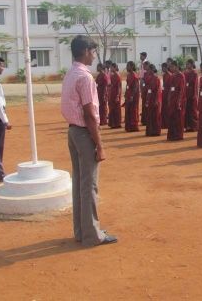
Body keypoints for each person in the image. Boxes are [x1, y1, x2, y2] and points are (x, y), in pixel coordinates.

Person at [61, 35, 117, 247]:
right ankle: (92, 234)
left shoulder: (70, 74)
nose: (94, 55)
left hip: (73, 132)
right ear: (85, 51)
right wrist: (99, 145)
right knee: (89, 186)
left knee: (79, 183)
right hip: (84, 134)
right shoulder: (85, 77)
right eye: (93, 51)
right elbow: (90, 114)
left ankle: (82, 231)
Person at [167, 60, 186, 141]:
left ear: (176, 67)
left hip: (179, 100)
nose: (170, 68)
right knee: (172, 117)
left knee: (178, 118)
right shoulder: (172, 76)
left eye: (172, 66)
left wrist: (179, 101)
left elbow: (181, 90)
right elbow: (170, 88)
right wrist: (169, 98)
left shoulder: (181, 76)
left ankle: (178, 135)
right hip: (172, 99)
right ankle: (172, 135)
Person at [145, 64, 162, 136]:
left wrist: (156, 100)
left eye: (148, 69)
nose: (147, 71)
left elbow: (158, 90)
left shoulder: (156, 79)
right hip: (150, 98)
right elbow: (149, 89)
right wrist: (147, 99)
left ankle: (156, 131)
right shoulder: (149, 78)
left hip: (155, 99)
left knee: (155, 116)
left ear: (152, 70)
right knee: (150, 115)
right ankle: (150, 131)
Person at [124, 61, 140, 132]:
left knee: (133, 110)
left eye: (128, 66)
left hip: (133, 95)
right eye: (127, 65)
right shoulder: (128, 75)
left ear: (132, 67)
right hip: (128, 94)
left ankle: (134, 126)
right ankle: (129, 126)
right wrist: (126, 93)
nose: (127, 67)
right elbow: (127, 85)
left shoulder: (134, 75)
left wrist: (132, 96)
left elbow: (136, 87)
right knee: (128, 110)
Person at [184, 59, 199, 132]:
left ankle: (194, 126)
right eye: (186, 64)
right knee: (187, 111)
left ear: (192, 64)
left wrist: (194, 95)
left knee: (193, 111)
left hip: (192, 95)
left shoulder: (195, 73)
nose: (187, 65)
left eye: (188, 64)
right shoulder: (185, 73)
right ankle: (188, 126)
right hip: (186, 94)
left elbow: (195, 85)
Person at [107, 63, 122, 129]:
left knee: (116, 109)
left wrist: (117, 96)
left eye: (112, 68)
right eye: (110, 68)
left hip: (116, 94)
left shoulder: (118, 76)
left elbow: (119, 87)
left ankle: (117, 123)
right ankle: (112, 123)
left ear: (115, 67)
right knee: (112, 109)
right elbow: (110, 84)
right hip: (112, 94)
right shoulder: (112, 76)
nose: (111, 69)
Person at [161, 62, 172, 129]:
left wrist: (169, 96)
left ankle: (168, 123)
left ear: (166, 67)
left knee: (168, 109)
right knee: (164, 109)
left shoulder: (170, 75)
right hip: (164, 93)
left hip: (168, 93)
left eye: (163, 67)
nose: (162, 69)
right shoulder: (164, 75)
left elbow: (171, 86)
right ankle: (164, 123)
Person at [140, 60, 150, 126]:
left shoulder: (150, 73)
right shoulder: (145, 74)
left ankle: (148, 120)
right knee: (144, 105)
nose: (143, 67)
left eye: (144, 66)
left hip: (149, 91)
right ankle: (144, 120)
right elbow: (143, 81)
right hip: (144, 90)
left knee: (148, 105)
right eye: (143, 66)